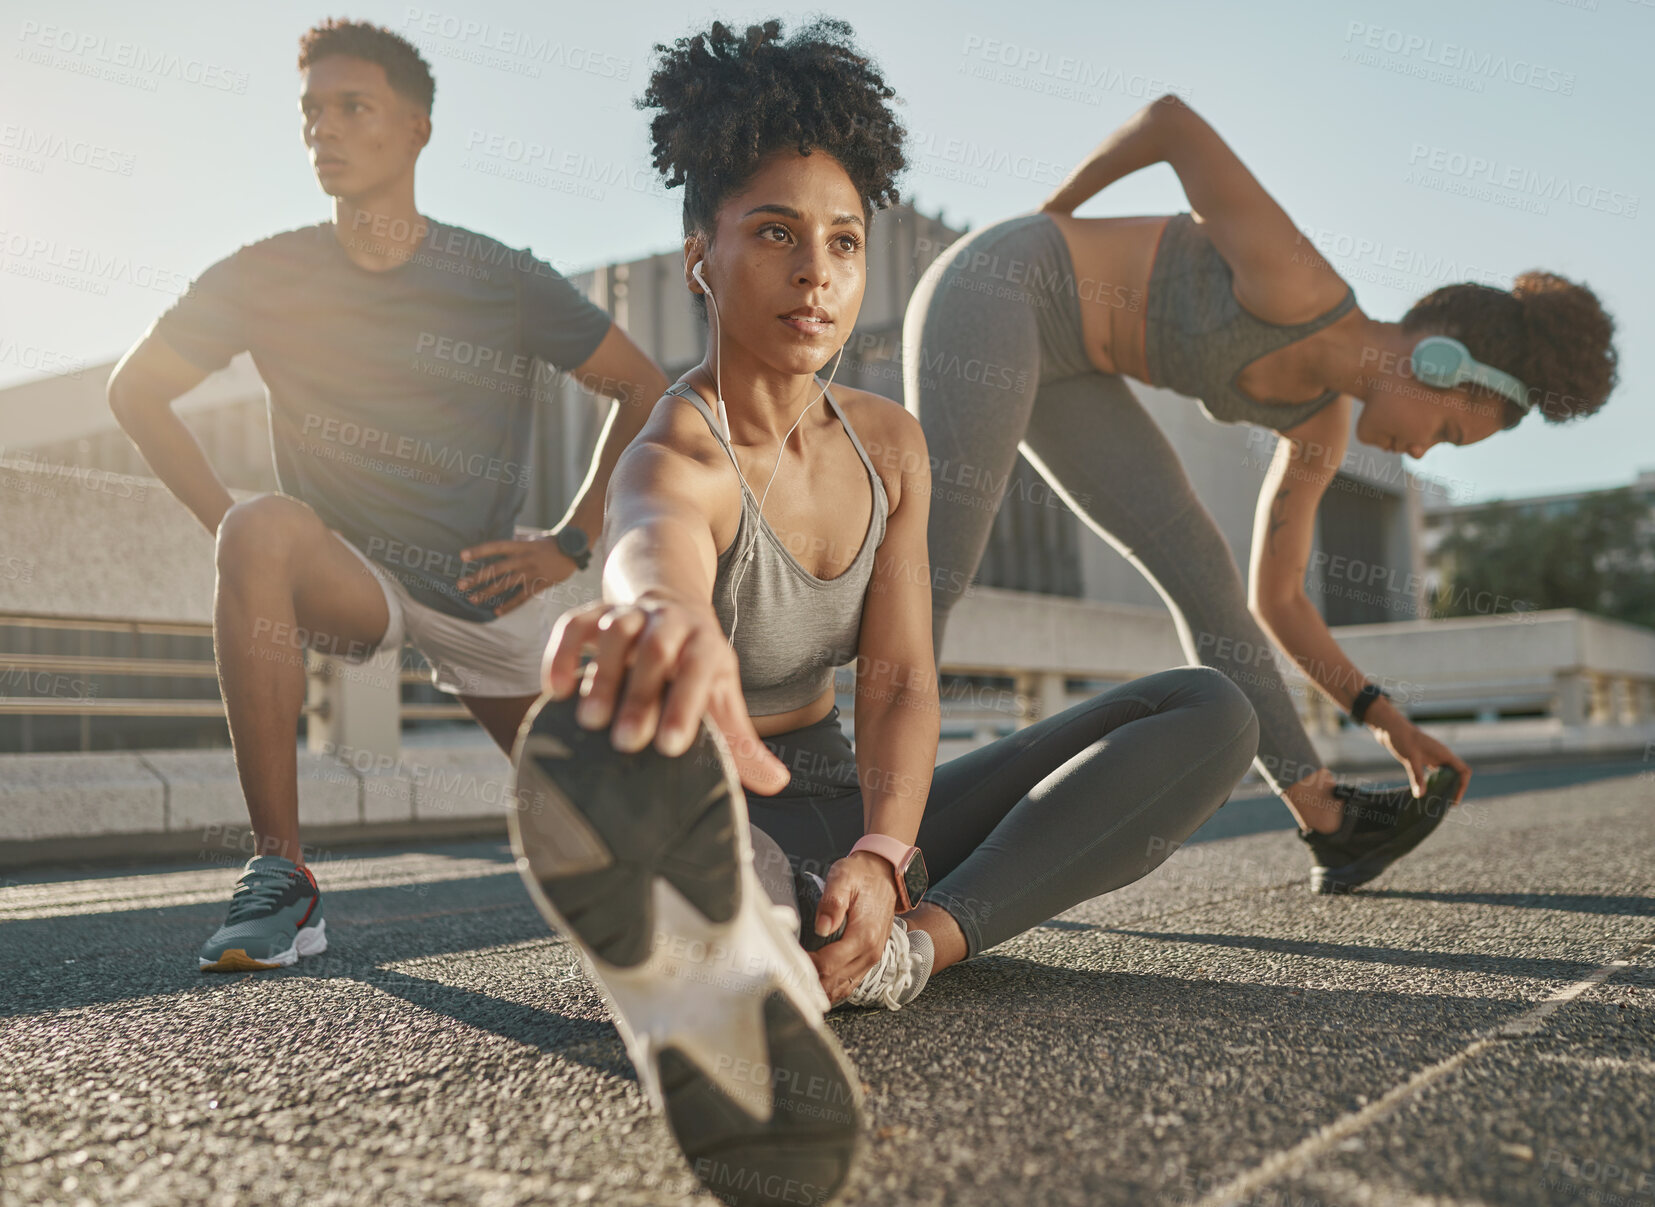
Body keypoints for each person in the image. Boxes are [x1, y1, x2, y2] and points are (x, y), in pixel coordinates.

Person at [504, 21, 1260, 1207]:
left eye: (842, 242)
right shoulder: (679, 448)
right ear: (698, 255)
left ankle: (896, 950)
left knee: (1206, 708)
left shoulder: (890, 444)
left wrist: (883, 854)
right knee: (710, 834)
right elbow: (647, 540)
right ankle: (736, 956)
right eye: (772, 233)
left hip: (844, 803)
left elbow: (902, 680)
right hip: (717, 801)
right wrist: (660, 614)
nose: (815, 272)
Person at [902, 94, 1620, 893]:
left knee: (1204, 575)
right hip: (998, 286)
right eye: (1447, 431)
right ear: (1440, 362)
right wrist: (1049, 217)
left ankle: (1330, 822)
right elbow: (1170, 122)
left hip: (1073, 370)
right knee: (936, 565)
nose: (1421, 451)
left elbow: (1278, 602)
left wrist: (1387, 720)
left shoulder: (1320, 426)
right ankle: (878, 828)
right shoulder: (1294, 282)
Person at [104, 19, 668, 972]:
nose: (325, 129)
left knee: (614, 843)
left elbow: (644, 387)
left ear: (416, 129)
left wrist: (570, 542)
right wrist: (242, 548)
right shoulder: (264, 272)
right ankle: (281, 875)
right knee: (259, 526)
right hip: (349, 569)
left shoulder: (499, 277)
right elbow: (134, 390)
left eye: (352, 108)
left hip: (484, 583)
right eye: (311, 113)